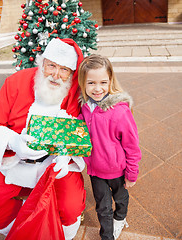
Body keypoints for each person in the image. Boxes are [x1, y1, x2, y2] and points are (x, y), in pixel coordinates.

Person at [0, 38, 86, 240]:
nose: (56, 75)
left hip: (53, 164)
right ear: (42, 62)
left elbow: (80, 134)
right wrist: (13, 142)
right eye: (52, 66)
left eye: (64, 70)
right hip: (13, 160)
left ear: (72, 73)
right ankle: (22, 225)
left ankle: (55, 232)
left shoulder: (74, 93)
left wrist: (65, 158)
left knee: (71, 207)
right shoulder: (16, 82)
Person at [78, 54, 142, 240]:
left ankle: (120, 218)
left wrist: (132, 173)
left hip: (118, 170)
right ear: (83, 82)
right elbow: (84, 126)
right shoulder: (84, 106)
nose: (97, 89)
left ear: (110, 80)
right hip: (95, 170)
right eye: (91, 83)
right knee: (102, 206)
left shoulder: (120, 112)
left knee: (120, 199)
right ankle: (107, 236)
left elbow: (132, 146)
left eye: (103, 82)